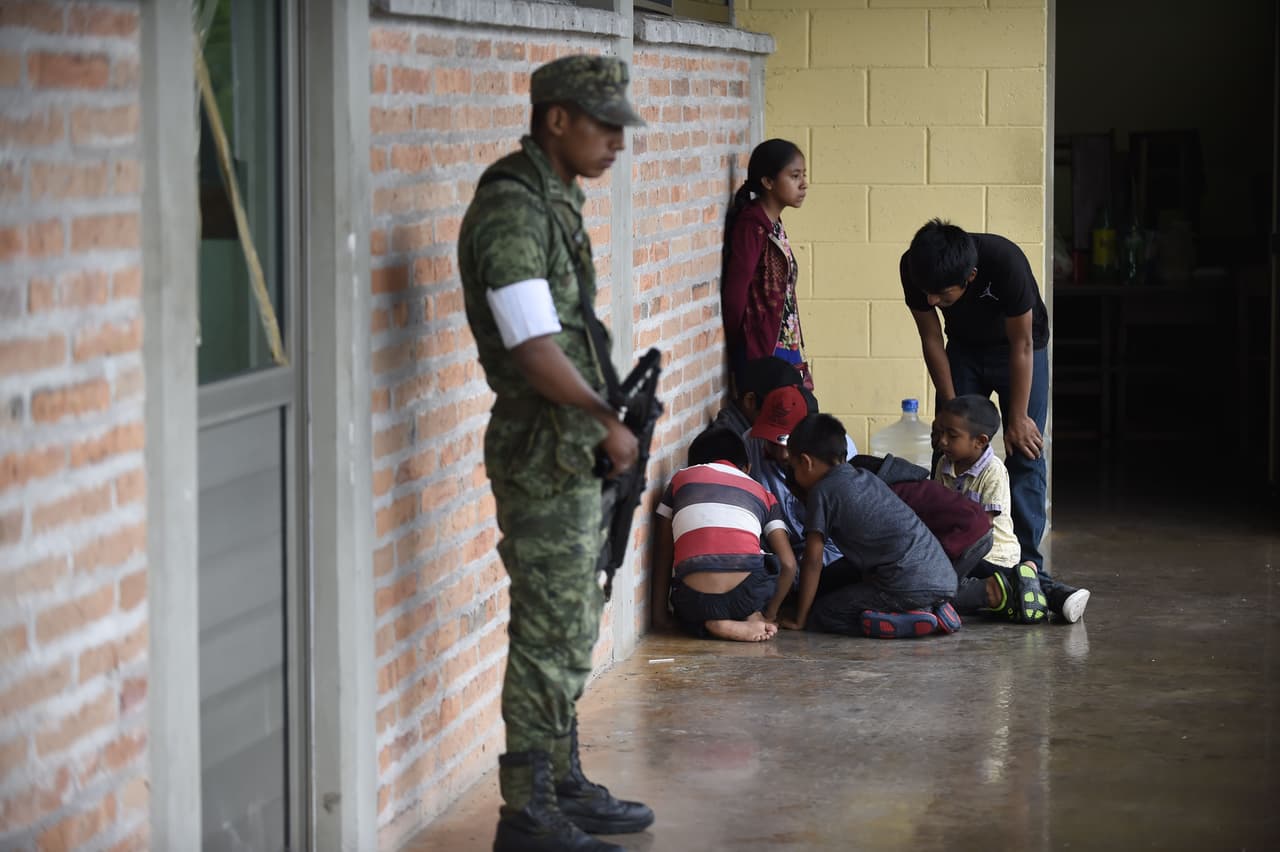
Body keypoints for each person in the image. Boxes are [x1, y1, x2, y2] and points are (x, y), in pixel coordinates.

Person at [458, 54, 653, 852]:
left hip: (568, 447)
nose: (617, 141)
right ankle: (526, 811)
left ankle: (561, 781)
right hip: (543, 449)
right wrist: (604, 417)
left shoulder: (556, 197)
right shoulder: (512, 210)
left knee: (573, 622)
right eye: (603, 124)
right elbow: (534, 346)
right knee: (548, 631)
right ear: (557, 119)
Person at [902, 218, 1088, 621]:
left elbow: (1022, 344)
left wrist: (1018, 417)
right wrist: (949, 413)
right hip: (964, 348)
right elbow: (932, 339)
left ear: (970, 277)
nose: (931, 299)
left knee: (1025, 450)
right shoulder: (916, 267)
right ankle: (949, 557)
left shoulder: (1005, 262)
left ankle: (1028, 567)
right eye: (927, 293)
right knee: (949, 447)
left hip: (1019, 351)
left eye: (943, 294)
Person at [780, 413, 960, 639]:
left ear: (806, 462)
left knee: (825, 613)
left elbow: (813, 561)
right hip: (943, 578)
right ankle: (934, 609)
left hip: (906, 584)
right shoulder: (866, 477)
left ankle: (904, 619)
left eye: (794, 467)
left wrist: (800, 618)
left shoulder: (822, 492)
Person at [652, 427, 797, 641]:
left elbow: (664, 551)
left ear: (694, 464)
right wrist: (770, 614)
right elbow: (788, 564)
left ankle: (712, 623)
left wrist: (659, 615)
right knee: (767, 562)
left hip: (695, 599)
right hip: (746, 595)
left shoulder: (680, 480)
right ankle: (751, 616)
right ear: (747, 467)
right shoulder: (763, 492)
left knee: (688, 605)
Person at [931, 395, 1054, 623]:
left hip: (992, 553)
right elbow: (936, 506)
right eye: (941, 433)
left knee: (943, 584)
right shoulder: (944, 464)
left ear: (980, 441)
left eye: (952, 435)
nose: (943, 442)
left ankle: (1040, 587)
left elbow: (982, 527)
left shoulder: (993, 471)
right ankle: (1019, 590)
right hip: (961, 549)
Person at [721, 139, 812, 387]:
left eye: (804, 175)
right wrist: (738, 349)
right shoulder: (752, 226)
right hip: (764, 350)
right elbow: (735, 294)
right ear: (768, 182)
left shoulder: (773, 223)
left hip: (785, 345)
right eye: (794, 176)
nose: (804, 184)